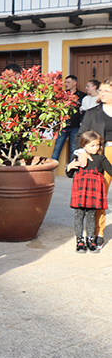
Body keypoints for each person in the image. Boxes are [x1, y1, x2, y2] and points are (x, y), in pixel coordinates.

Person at [78, 78, 112, 246]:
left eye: (106, 91)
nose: (102, 94)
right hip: (103, 154)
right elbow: (80, 135)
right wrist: (81, 152)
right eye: (101, 91)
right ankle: (98, 231)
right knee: (100, 194)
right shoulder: (92, 113)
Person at [66, 131, 112, 252]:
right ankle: (79, 241)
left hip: (93, 192)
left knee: (91, 216)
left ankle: (90, 239)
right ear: (83, 145)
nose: (96, 148)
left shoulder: (101, 158)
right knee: (79, 216)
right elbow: (69, 173)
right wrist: (69, 167)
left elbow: (110, 170)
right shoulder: (78, 156)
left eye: (98, 145)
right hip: (80, 191)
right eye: (92, 145)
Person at [52, 75, 84, 165]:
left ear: (75, 83)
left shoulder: (82, 96)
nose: (66, 84)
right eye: (65, 82)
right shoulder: (62, 95)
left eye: (68, 82)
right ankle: (51, 169)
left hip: (76, 126)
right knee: (57, 149)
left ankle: (71, 169)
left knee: (74, 149)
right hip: (63, 126)